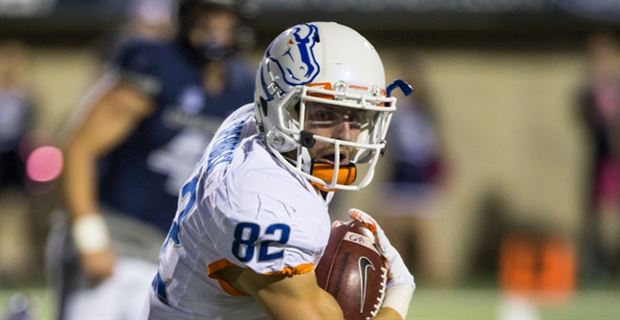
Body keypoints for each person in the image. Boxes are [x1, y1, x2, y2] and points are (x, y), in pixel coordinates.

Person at [145, 22, 416, 319]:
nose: (346, 136)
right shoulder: (263, 202)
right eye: (325, 114)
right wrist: (398, 295)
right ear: (277, 109)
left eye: (358, 116)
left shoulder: (253, 126)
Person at [47, 0, 255, 319]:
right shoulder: (155, 61)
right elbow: (79, 148)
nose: (215, 29)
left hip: (176, 255)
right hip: (118, 236)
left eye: (224, 18)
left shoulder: (244, 87)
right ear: (187, 16)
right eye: (207, 16)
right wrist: (90, 238)